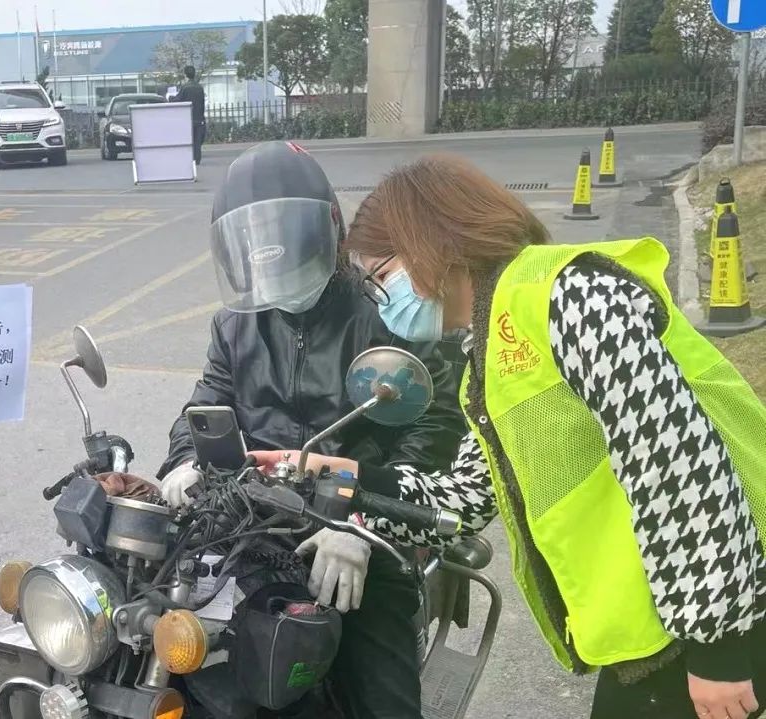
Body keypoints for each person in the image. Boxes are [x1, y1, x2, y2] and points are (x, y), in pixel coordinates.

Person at [251, 155, 766, 719]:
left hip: (731, 608)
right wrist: (335, 476)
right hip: (668, 620)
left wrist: (720, 650)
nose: (381, 298)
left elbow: (678, 469)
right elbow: (463, 500)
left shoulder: (571, 298)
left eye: (382, 276)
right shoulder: (491, 350)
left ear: (433, 243)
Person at [157, 141, 468, 718]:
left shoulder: (385, 310)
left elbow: (434, 429)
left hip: (358, 530)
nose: (270, 260)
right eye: (253, 243)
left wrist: (364, 524)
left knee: (383, 701)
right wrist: (184, 459)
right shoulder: (234, 326)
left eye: (282, 239)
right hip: (254, 523)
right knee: (173, 649)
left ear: (325, 230)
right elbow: (205, 405)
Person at [171, 65, 206, 165]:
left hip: (187, 118)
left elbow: (178, 100)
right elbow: (202, 103)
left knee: (188, 140)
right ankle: (197, 159)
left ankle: (189, 159)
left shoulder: (185, 88)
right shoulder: (200, 88)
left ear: (185, 75)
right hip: (199, 118)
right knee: (197, 141)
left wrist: (170, 98)